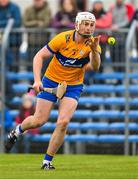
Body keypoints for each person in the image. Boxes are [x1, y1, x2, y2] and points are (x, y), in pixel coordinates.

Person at [5, 11, 101, 170]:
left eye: (91, 25)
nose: (89, 28)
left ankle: (47, 162)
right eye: (85, 24)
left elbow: (95, 67)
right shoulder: (63, 39)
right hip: (51, 80)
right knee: (39, 120)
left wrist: (95, 50)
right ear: (77, 24)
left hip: (73, 85)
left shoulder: (93, 43)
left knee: (63, 122)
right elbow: (39, 56)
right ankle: (17, 131)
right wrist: (37, 80)